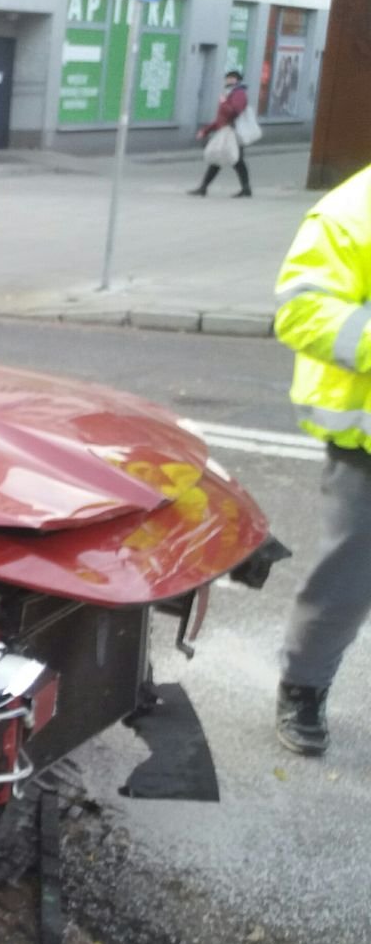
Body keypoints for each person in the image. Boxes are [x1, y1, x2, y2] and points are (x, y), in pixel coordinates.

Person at [271, 165, 371, 755]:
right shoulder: (353, 210)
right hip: (366, 446)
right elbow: (302, 309)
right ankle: (303, 687)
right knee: (346, 580)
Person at [191, 70, 253, 198]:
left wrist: (224, 103)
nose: (229, 80)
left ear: (238, 80)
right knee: (224, 159)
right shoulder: (230, 93)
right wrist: (206, 130)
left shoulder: (239, 93)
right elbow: (221, 118)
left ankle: (245, 189)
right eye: (228, 78)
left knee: (235, 160)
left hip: (233, 132)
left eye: (232, 78)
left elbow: (235, 112)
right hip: (226, 131)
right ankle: (204, 187)